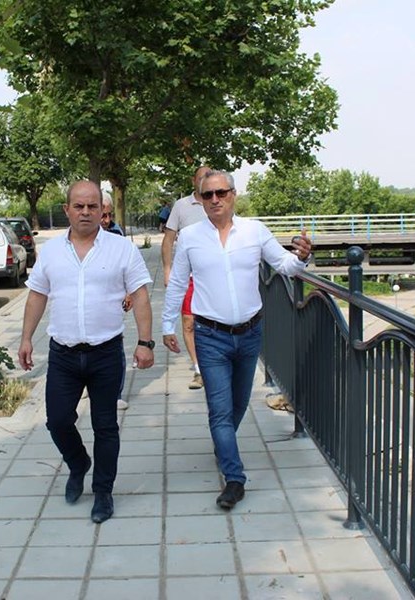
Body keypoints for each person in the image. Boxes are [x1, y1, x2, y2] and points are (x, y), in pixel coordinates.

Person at [161, 170, 312, 510]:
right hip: (210, 336)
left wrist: (302, 257)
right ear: (200, 200)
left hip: (249, 334)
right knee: (219, 409)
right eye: (208, 195)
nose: (215, 199)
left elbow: (286, 266)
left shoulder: (255, 231)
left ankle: (223, 443)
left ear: (233, 195)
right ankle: (234, 477)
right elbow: (178, 283)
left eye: (221, 193)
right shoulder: (190, 237)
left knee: (238, 404)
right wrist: (168, 325)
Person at [18, 180, 155, 523]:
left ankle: (103, 492)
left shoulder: (121, 249)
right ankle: (78, 462)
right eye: (78, 206)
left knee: (105, 426)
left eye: (93, 206)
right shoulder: (50, 251)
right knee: (58, 421)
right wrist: (25, 338)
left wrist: (145, 342)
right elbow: (37, 295)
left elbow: (140, 295)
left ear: (102, 211)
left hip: (105, 353)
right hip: (63, 355)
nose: (85, 212)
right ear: (67, 209)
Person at [161, 165, 211, 390]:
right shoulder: (181, 206)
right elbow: (168, 240)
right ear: (193, 180)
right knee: (188, 321)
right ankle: (199, 369)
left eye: (208, 177)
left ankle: (214, 363)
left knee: (211, 322)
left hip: (211, 276)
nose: (204, 181)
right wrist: (167, 269)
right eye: (201, 178)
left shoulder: (217, 202)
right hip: (187, 276)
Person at [100, 195, 132, 410]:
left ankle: (116, 394)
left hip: (112, 299)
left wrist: (129, 292)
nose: (107, 220)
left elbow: (126, 265)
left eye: (109, 214)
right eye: (103, 215)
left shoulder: (116, 232)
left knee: (115, 345)